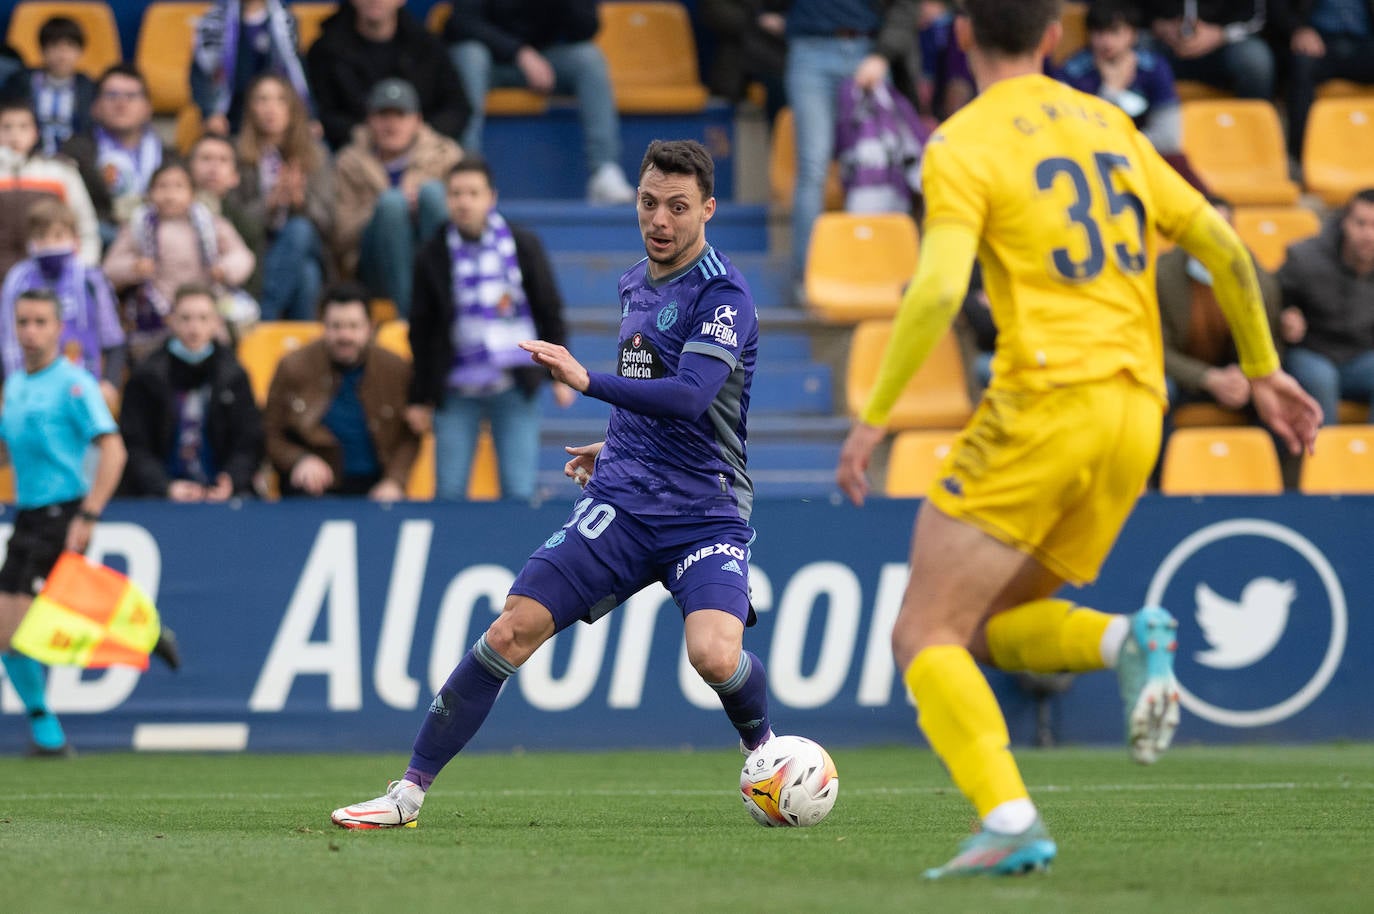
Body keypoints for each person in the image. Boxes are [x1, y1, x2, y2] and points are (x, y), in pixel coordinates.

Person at [834, 0, 1320, 878]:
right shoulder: (1110, 123)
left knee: (922, 633)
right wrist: (1264, 367)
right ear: (1055, 39)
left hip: (1047, 403)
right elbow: (1220, 238)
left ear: (966, 38)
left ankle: (1009, 817)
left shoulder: (961, 142)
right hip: (1138, 413)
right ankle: (1123, 640)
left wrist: (874, 416)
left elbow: (940, 290)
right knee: (992, 623)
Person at [331, 139, 772, 829]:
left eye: (679, 208)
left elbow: (690, 397)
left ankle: (767, 754)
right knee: (513, 628)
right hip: (625, 503)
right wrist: (616, 443)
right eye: (650, 203)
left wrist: (585, 381)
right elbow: (653, 397)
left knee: (715, 655)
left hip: (705, 511)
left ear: (708, 210)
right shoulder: (636, 282)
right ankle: (406, 794)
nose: (661, 220)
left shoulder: (724, 296)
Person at [0, 288, 126, 756]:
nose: (30, 331)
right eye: (22, 322)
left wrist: (89, 513)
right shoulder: (14, 385)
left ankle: (45, 727)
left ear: (58, 329)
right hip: (28, 513)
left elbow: (113, 450)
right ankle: (43, 725)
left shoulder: (74, 384)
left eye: (39, 322)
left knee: (33, 626)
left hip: (63, 513)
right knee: (9, 632)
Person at [408, 156, 574, 502]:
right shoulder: (432, 253)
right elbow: (421, 331)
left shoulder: (523, 244)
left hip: (512, 384)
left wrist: (559, 373)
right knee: (449, 494)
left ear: (491, 198)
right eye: (456, 193)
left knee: (518, 491)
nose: (464, 201)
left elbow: (549, 308)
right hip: (455, 389)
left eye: (473, 193)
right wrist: (419, 397)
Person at [784, 0, 923, 299]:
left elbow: (906, 7)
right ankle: (808, 277)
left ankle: (879, 271)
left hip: (867, 50)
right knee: (813, 167)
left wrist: (882, 54)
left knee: (877, 168)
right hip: (810, 50)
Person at [444, 0, 634, 205]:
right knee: (469, 55)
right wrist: (519, 53)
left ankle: (604, 171)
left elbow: (586, 29)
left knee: (589, 59)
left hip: (544, 64)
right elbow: (462, 22)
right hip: (488, 63)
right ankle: (466, 169)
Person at [263, 284, 418, 499]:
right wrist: (299, 459)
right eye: (336, 326)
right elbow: (269, 431)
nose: (345, 336)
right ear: (323, 326)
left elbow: (410, 434)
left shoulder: (395, 369)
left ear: (370, 328)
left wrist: (395, 481)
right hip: (312, 488)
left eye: (353, 326)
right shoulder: (293, 366)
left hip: (376, 486)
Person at [118, 283, 263, 501]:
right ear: (172, 321)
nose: (194, 329)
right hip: (157, 497)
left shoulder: (235, 376)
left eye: (203, 318)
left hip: (222, 496)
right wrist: (165, 487)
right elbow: (134, 445)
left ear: (216, 323)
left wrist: (231, 480)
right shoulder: (146, 376)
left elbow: (250, 441)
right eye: (186, 318)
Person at [332, 78, 461, 317]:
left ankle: (448, 304)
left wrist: (417, 207)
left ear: (417, 120)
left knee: (433, 194)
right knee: (391, 205)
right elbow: (340, 235)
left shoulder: (447, 154)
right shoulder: (348, 162)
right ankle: (411, 319)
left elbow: (469, 216)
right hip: (375, 267)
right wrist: (381, 209)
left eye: (400, 115)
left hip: (434, 253)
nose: (391, 124)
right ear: (370, 120)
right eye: (383, 115)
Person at [103, 160, 257, 359]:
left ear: (192, 194)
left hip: (203, 308)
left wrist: (225, 269)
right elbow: (109, 268)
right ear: (149, 193)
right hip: (157, 312)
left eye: (178, 186)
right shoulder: (137, 228)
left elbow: (243, 256)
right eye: (162, 186)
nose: (170, 194)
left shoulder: (211, 225)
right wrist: (134, 268)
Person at [1158, 196, 1284, 419]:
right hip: (1183, 377)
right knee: (1159, 391)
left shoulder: (1258, 280)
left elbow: (1271, 344)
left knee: (1276, 396)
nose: (1212, 240)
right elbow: (1156, 349)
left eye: (1221, 231)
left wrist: (1247, 377)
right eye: (1206, 230)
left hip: (1239, 378)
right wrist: (1208, 377)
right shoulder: (1161, 276)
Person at [0, 199, 125, 407]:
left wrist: (110, 383)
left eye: (58, 235)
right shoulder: (16, 280)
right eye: (41, 236)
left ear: (75, 239)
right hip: (28, 394)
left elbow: (113, 339)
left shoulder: (90, 279)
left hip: (81, 392)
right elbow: (5, 336)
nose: (49, 244)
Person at [231, 74, 333, 321]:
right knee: (307, 275)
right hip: (258, 248)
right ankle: (302, 347)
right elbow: (234, 220)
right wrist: (271, 203)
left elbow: (329, 222)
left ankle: (264, 316)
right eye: (262, 100)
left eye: (280, 100)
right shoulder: (237, 153)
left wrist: (300, 202)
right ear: (250, 109)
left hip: (308, 243)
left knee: (299, 229)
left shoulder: (315, 154)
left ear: (293, 109)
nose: (271, 108)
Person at [305, 0, 470, 151]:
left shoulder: (428, 47)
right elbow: (320, 113)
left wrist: (418, 133)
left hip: (422, 150)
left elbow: (457, 107)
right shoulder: (325, 51)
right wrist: (364, 133)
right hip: (352, 153)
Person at [1276, 187, 1374, 423]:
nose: (1369, 234)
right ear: (1344, 222)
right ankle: (1323, 458)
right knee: (1321, 378)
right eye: (1361, 224)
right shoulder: (1305, 257)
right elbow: (1271, 297)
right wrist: (1285, 316)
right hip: (1312, 350)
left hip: (1361, 355)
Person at [60, 65, 175, 243]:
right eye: (112, 95)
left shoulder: (169, 157)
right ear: (95, 107)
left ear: (147, 108)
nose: (121, 104)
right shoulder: (74, 151)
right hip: (99, 238)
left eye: (131, 96)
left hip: (160, 237)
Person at [1060, 1, 1184, 156]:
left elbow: (1169, 138)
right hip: (1095, 158)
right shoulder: (1072, 71)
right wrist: (1110, 90)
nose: (1106, 41)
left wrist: (1120, 144)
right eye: (1098, 32)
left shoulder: (1154, 67)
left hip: (1145, 156)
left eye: (1115, 31)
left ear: (1133, 34)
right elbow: (1075, 136)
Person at [0, 97, 101, 278]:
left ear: (36, 132)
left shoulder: (60, 172)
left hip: (52, 279)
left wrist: (83, 267)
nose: (15, 135)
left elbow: (86, 226)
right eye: (6, 127)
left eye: (23, 127)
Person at [191, 0, 315, 137]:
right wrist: (211, 112)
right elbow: (201, 73)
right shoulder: (214, 22)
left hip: (276, 117)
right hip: (231, 117)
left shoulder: (285, 21)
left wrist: (311, 115)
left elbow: (298, 72)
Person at [1277, 0, 1374, 156]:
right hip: (1319, 42)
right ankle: (1302, 153)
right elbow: (1277, 8)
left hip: (1364, 43)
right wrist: (1298, 29)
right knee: (1302, 65)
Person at [0, 16, 96, 157]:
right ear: (43, 50)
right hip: (26, 156)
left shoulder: (88, 87)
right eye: (55, 46)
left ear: (80, 52)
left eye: (70, 46)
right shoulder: (21, 82)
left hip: (74, 159)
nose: (62, 55)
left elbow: (88, 131)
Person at [188, 132, 266, 299]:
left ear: (235, 177)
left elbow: (252, 285)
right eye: (206, 158)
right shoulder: (170, 213)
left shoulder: (247, 226)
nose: (213, 167)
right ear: (189, 169)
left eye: (223, 160)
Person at [1146, 0, 1274, 100]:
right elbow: (1131, 12)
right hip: (1165, 47)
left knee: (1253, 58)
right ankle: (1134, 127)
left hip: (1223, 47)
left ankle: (1252, 124)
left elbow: (1256, 18)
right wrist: (1158, 25)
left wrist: (1221, 34)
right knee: (1137, 49)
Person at [699, 0, 790, 126]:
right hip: (738, 56)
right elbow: (716, 14)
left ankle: (781, 137)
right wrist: (759, 21)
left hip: (782, 52)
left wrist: (788, 22)